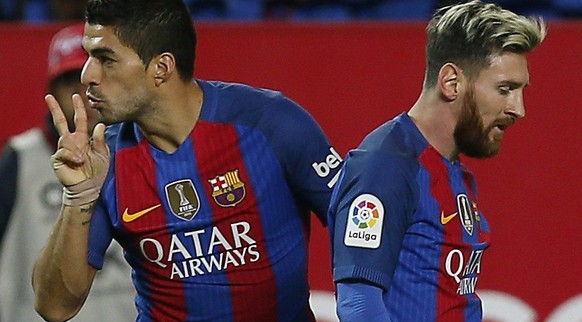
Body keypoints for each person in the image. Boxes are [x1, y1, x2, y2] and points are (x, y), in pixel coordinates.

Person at [31, 1, 343, 321]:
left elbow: (362, 225)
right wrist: (78, 195)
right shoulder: (105, 161)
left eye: (105, 59)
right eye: (89, 56)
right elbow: (55, 307)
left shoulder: (271, 125)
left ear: (161, 68)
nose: (87, 76)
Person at [327, 1, 546, 321]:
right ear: (451, 82)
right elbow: (359, 303)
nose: (518, 109)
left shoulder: (450, 170)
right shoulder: (386, 167)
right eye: (505, 89)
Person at [0, 24, 136, 321]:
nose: (83, 92)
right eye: (70, 81)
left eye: (94, 78)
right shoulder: (20, 159)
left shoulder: (141, 152)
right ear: (52, 91)